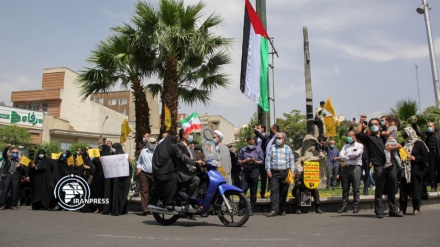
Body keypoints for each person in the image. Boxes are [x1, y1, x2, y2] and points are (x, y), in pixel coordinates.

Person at [356, 115, 402, 218]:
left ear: (380, 125)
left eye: (376, 124)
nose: (374, 126)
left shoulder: (386, 136)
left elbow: (397, 144)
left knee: (392, 187)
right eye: (372, 125)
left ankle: (393, 209)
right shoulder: (369, 137)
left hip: (391, 164)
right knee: (380, 188)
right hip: (379, 165)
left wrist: (396, 146)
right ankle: (379, 209)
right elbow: (358, 133)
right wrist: (361, 121)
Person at [399, 127, 429, 215]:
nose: (404, 135)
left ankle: (416, 208)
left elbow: (425, 157)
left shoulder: (419, 143)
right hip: (405, 170)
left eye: (406, 133)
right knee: (403, 190)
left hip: (416, 170)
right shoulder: (403, 144)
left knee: (416, 189)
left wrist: (415, 158)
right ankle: (402, 209)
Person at [265, 132, 295, 217]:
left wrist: (292, 171)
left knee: (283, 192)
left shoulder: (288, 149)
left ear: (284, 140)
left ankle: (281, 209)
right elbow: (267, 160)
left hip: (285, 173)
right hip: (274, 173)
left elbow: (292, 160)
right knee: (274, 191)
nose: (277, 140)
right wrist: (268, 170)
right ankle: (274, 210)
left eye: (279, 138)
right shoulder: (272, 148)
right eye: (276, 138)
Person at [175, 129, 204, 213]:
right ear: (184, 136)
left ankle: (199, 200)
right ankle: (191, 201)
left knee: (204, 177)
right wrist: (195, 162)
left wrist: (204, 161)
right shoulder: (179, 146)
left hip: (192, 171)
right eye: (189, 134)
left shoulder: (190, 147)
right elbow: (184, 158)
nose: (190, 136)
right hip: (184, 172)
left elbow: (196, 157)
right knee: (196, 180)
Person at [336, 130, 364, 213]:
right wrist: (347, 157)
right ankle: (344, 206)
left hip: (356, 167)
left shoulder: (360, 145)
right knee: (345, 188)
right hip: (346, 167)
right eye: (348, 135)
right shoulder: (345, 146)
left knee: (356, 188)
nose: (348, 137)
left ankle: (356, 206)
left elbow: (355, 155)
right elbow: (340, 155)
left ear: (354, 136)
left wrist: (345, 156)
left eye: (350, 136)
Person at [102, 143, 131, 216]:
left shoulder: (124, 157)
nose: (112, 149)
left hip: (123, 180)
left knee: (121, 194)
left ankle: (121, 209)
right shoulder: (112, 156)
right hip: (115, 179)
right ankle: (115, 209)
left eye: (114, 148)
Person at [412, 119, 440, 192]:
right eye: (428, 126)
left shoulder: (438, 134)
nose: (429, 127)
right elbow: (417, 131)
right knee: (432, 171)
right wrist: (414, 124)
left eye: (430, 126)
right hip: (431, 154)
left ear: (434, 127)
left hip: (438, 153)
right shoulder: (425, 134)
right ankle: (433, 187)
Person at [238, 137, 264, 215]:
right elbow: (239, 161)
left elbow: (262, 161)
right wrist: (245, 161)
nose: (251, 145)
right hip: (245, 171)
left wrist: (255, 161)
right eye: (250, 143)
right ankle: (241, 209)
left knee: (253, 191)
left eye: (252, 144)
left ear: (255, 143)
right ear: (247, 142)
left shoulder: (259, 150)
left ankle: (251, 209)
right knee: (243, 190)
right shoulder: (243, 150)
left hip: (254, 170)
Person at [254, 124, 280, 198]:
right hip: (264, 159)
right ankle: (262, 193)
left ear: (274, 129)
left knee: (271, 177)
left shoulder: (279, 137)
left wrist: (257, 130)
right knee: (262, 177)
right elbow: (262, 137)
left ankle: (272, 193)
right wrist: (256, 131)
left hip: (273, 161)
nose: (270, 129)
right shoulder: (270, 137)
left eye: (271, 128)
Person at [136, 137, 156, 215]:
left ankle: (151, 207)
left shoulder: (157, 151)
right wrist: (139, 168)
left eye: (154, 143)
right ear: (148, 143)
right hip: (144, 173)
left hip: (154, 174)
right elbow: (139, 161)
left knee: (153, 191)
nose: (153, 144)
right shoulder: (143, 151)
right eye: (152, 143)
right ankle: (145, 208)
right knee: (144, 190)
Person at [0, 144, 22, 210]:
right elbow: (4, 154)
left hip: (15, 175)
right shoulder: (8, 159)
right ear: (11, 153)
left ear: (18, 153)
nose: (14, 154)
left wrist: (20, 166)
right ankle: (2, 204)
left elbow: (24, 170)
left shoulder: (20, 160)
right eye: (13, 152)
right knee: (5, 189)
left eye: (16, 152)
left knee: (15, 190)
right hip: (8, 175)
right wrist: (6, 148)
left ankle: (13, 204)